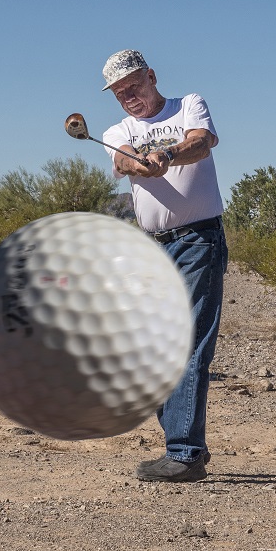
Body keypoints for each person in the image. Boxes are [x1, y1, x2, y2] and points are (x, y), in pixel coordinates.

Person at [100, 49, 228, 482]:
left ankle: (185, 452)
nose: (128, 98)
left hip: (198, 240)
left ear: (152, 76)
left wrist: (168, 156)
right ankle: (184, 442)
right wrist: (136, 160)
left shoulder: (189, 104)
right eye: (120, 94)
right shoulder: (121, 128)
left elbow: (201, 142)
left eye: (133, 87)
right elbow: (120, 158)